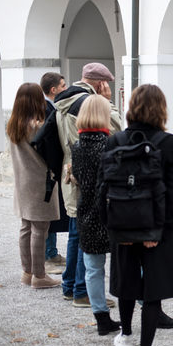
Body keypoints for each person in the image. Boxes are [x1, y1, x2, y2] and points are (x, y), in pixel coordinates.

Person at [109, 84, 173, 346]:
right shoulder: (168, 143)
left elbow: (102, 188)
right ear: (161, 109)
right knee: (154, 288)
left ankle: (126, 335)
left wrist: (116, 228)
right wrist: (159, 231)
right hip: (157, 228)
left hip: (122, 226)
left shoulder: (115, 140)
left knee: (126, 281)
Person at [55, 62, 121, 308]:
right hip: (89, 170)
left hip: (71, 168)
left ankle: (70, 285)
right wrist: (107, 101)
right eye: (106, 85)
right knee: (87, 233)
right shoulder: (87, 101)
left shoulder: (65, 98)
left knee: (76, 231)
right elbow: (116, 127)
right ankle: (82, 291)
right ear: (99, 83)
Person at [71, 95, 121, 336]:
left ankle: (101, 317)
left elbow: (80, 180)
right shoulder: (111, 145)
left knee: (93, 268)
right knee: (128, 261)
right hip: (111, 211)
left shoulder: (77, 147)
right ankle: (145, 305)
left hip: (87, 210)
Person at [7, 83, 61, 289]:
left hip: (22, 182)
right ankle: (39, 275)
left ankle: (27, 271)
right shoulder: (36, 126)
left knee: (26, 226)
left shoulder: (13, 125)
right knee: (40, 228)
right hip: (40, 182)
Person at [40, 72, 68, 275]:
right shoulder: (47, 108)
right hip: (48, 170)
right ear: (53, 89)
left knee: (53, 212)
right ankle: (49, 254)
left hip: (50, 169)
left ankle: (52, 252)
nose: (65, 89)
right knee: (49, 212)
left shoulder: (49, 107)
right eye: (63, 86)